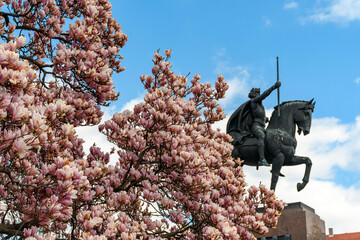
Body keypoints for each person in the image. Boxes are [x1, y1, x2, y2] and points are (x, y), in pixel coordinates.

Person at [248, 81, 281, 166]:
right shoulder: (253, 102)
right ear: (253, 94)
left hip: (262, 126)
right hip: (256, 126)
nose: (259, 94)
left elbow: (258, 115)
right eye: (257, 93)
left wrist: (265, 119)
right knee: (261, 136)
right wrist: (274, 87)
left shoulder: (260, 105)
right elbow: (264, 95)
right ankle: (261, 159)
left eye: (259, 93)